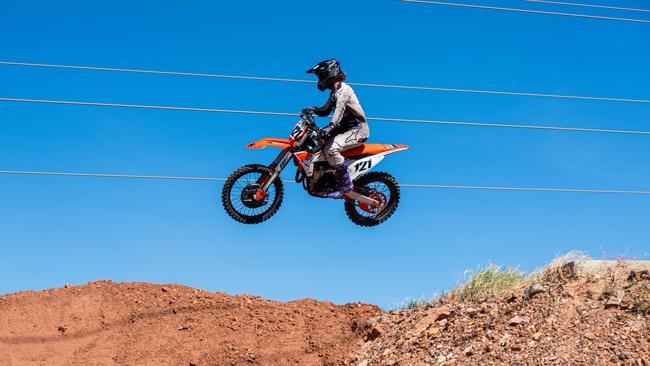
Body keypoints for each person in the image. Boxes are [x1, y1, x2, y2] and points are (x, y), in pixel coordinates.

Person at [302, 59, 370, 198]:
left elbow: (338, 111)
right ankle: (326, 178)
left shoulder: (343, 91)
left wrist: (331, 126)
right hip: (345, 129)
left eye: (320, 76)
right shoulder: (334, 92)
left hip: (357, 129)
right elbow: (325, 110)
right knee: (317, 142)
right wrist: (313, 110)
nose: (319, 79)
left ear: (329, 73)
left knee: (330, 149)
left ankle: (345, 185)